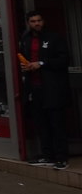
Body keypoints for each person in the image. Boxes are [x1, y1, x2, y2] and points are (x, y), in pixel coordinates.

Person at [18, 11, 70, 169]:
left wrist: (41, 63)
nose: (36, 23)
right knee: (41, 124)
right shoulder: (25, 40)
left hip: (52, 89)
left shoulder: (54, 38)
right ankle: (47, 155)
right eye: (33, 21)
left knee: (56, 124)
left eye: (39, 20)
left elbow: (64, 60)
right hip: (35, 88)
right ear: (28, 23)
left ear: (43, 21)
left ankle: (61, 157)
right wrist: (26, 66)